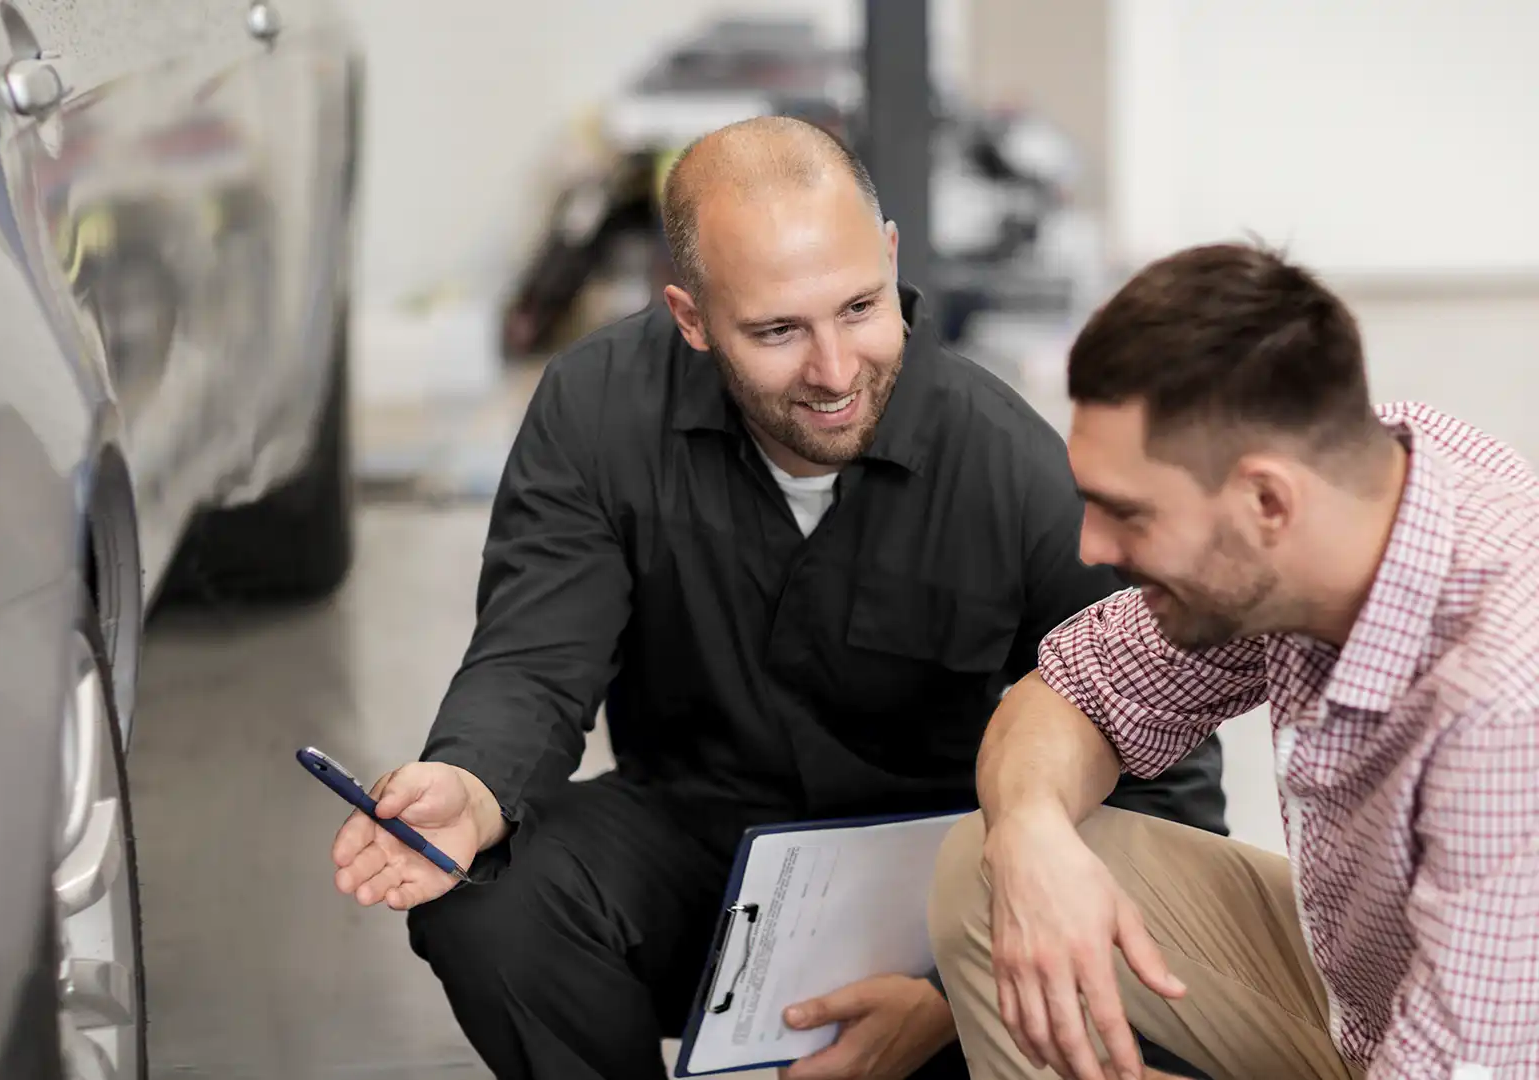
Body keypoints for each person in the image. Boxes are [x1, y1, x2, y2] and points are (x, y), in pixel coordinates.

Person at [329, 116, 1227, 1080]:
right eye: (777, 332)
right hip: (700, 847)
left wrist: (951, 995)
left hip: (948, 897)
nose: (835, 371)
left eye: (858, 308)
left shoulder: (1010, 465)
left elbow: (1162, 776)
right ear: (691, 316)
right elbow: (535, 658)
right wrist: (469, 786)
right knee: (489, 895)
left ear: (889, 256)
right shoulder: (596, 412)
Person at [927, 242, 1539, 1080]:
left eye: (1128, 514)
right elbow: (1072, 688)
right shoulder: (1361, 477)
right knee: (993, 871)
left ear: (1266, 502)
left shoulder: (1506, 710)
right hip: (1375, 994)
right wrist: (1030, 829)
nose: (1093, 545)